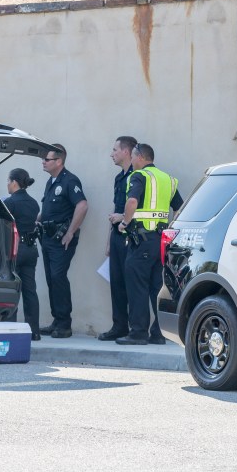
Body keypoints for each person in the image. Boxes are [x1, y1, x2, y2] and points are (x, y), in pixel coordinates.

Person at [116, 143, 183, 345]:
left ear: (141, 157)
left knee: (137, 287)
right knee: (157, 287)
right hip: (160, 241)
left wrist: (124, 223)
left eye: (134, 157)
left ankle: (138, 333)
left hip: (141, 240)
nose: (133, 161)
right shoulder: (168, 180)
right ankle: (159, 333)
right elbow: (179, 209)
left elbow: (132, 202)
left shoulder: (139, 176)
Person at [37, 144, 88, 339]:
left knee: (58, 277)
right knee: (51, 279)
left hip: (61, 239)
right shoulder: (51, 181)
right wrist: (38, 219)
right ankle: (57, 321)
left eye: (47, 159)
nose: (43, 162)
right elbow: (48, 208)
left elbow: (82, 206)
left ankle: (65, 324)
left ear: (59, 161)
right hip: (47, 237)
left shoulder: (69, 180)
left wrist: (70, 232)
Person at [98, 136, 137, 341]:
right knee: (117, 283)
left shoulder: (138, 175)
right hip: (117, 235)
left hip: (132, 235)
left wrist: (123, 219)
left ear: (126, 152)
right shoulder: (118, 178)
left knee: (132, 284)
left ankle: (135, 328)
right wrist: (108, 240)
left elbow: (137, 206)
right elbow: (116, 209)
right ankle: (119, 326)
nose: (111, 153)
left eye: (115, 149)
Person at [3, 168, 41, 341]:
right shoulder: (34, 203)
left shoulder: (10, 203)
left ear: (14, 182)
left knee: (13, 289)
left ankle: (12, 327)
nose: (7, 185)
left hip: (16, 250)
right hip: (31, 249)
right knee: (30, 291)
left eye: (8, 181)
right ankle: (34, 330)